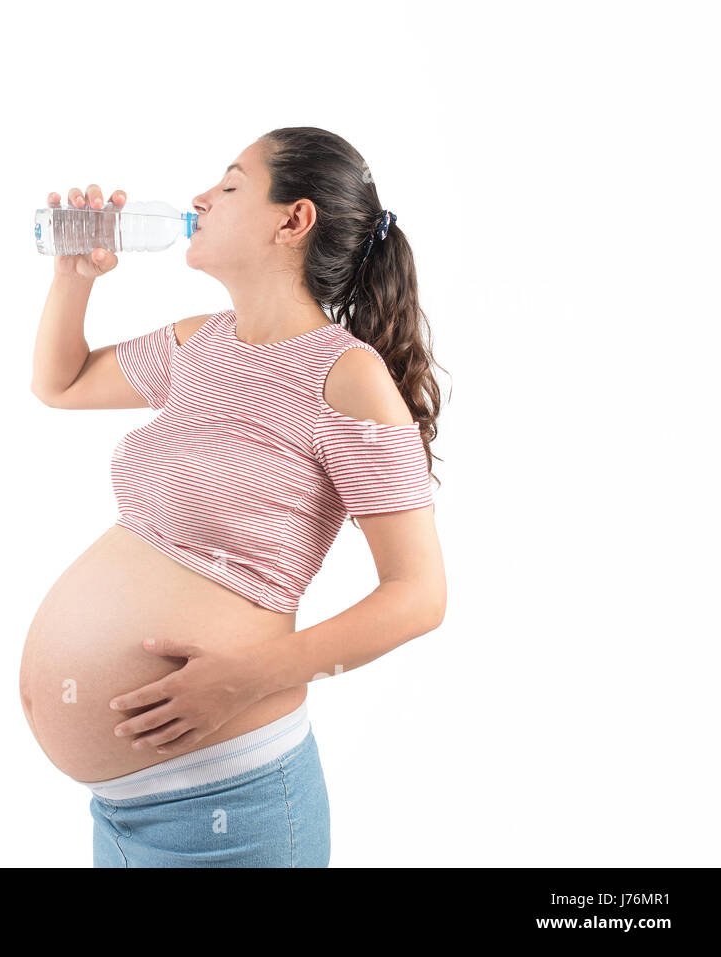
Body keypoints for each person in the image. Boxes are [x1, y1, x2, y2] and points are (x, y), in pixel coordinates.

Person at [23, 126, 447, 867]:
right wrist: (74, 277)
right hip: (120, 814)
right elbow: (58, 384)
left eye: (228, 186)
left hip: (231, 809)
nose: (198, 199)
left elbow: (419, 594)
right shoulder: (201, 343)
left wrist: (248, 675)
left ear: (294, 221)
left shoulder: (346, 376)